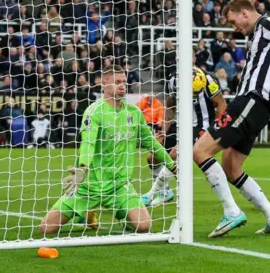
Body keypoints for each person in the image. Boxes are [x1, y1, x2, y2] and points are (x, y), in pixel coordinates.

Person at [174, 0, 270, 238]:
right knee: (231, 167)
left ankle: (231, 211)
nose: (234, 28)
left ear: (245, 13)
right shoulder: (260, 35)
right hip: (255, 105)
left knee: (199, 151)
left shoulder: (268, 24)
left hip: (252, 100)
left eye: (234, 21)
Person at [39, 65, 176, 234]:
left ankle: (121, 214)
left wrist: (172, 165)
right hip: (89, 186)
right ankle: (88, 210)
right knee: (46, 228)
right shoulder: (94, 112)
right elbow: (87, 144)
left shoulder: (134, 112)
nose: (122, 86)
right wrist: (83, 167)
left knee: (144, 226)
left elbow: (151, 143)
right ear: (104, 84)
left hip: (119, 187)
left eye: (124, 82)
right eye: (117, 82)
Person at [142, 52, 227, 207]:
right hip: (181, 125)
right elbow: (170, 106)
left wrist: (217, 129)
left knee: (175, 153)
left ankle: (150, 194)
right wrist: (164, 130)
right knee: (153, 157)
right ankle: (165, 192)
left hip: (202, 126)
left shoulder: (208, 79)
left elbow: (221, 104)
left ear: (194, 59)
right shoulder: (173, 80)